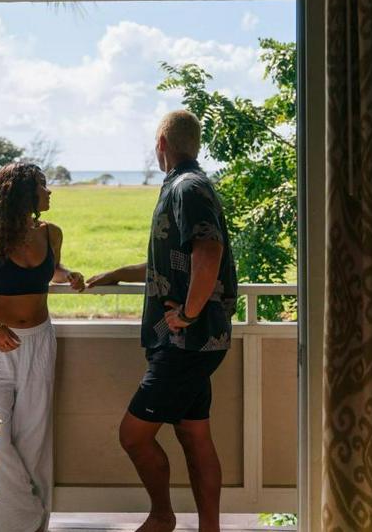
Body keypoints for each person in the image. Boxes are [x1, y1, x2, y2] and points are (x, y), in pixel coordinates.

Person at [86, 110, 238, 532]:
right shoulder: (188, 185)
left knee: (133, 435)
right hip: (195, 340)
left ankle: (161, 516)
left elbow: (208, 251)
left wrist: (188, 313)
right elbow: (175, 262)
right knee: (194, 434)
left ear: (161, 145)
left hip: (185, 341)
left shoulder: (186, 187)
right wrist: (118, 273)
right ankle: (208, 528)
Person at [0, 162, 85, 532]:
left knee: (35, 439)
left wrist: (68, 275)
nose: (49, 191)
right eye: (43, 186)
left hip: (39, 343)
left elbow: (49, 270)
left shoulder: (51, 233)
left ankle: (35, 525)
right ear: (25, 193)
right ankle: (23, 517)